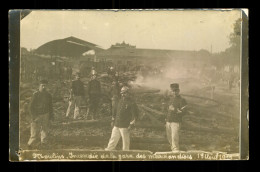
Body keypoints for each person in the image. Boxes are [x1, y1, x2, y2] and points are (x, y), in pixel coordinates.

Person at [105, 86, 139, 151]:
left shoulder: (131, 102)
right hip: (117, 124)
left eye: (125, 93)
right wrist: (113, 120)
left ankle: (125, 153)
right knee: (113, 138)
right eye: (122, 93)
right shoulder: (119, 101)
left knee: (125, 140)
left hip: (125, 125)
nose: (123, 95)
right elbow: (115, 112)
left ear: (128, 93)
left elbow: (135, 115)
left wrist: (131, 124)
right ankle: (109, 150)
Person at [27, 80, 54, 149]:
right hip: (37, 115)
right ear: (39, 86)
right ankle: (30, 144)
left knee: (45, 129)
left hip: (46, 114)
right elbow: (30, 107)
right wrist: (33, 116)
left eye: (45, 86)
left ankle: (43, 143)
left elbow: (50, 106)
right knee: (34, 131)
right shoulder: (35, 94)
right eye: (42, 85)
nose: (44, 87)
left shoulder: (48, 95)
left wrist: (51, 116)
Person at [162, 83, 187, 152]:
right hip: (168, 121)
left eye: (176, 91)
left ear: (179, 91)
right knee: (169, 137)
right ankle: (172, 149)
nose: (174, 92)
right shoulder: (170, 99)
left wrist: (175, 110)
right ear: (171, 91)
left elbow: (184, 112)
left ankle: (176, 150)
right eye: (173, 91)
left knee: (174, 137)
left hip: (176, 121)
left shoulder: (182, 100)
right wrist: (166, 119)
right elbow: (167, 110)